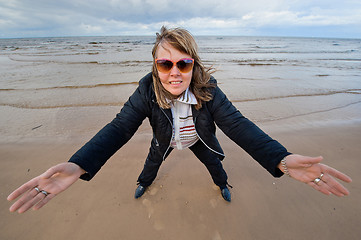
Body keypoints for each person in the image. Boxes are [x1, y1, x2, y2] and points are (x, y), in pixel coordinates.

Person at [7, 26, 352, 213]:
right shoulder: (146, 91)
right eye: (165, 64)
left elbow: (237, 124)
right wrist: (78, 165)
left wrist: (281, 158)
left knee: (217, 166)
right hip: (166, 141)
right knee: (151, 168)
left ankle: (223, 187)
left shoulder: (209, 90)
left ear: (194, 65)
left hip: (201, 140)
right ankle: (143, 183)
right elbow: (120, 128)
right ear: (155, 67)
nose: (175, 72)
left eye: (183, 63)